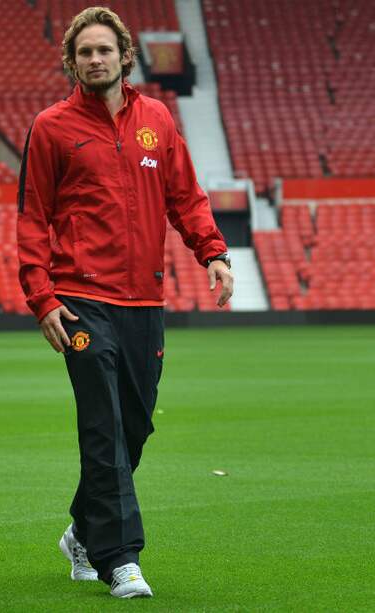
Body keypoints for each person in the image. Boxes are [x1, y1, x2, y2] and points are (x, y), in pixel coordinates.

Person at [17, 7, 234, 599]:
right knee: (103, 428)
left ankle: (84, 530)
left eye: (104, 50)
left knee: (134, 427)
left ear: (123, 56)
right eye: (84, 51)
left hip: (145, 299)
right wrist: (41, 297)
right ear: (72, 60)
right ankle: (121, 559)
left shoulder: (156, 120)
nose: (94, 59)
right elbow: (33, 217)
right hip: (81, 298)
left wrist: (212, 251)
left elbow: (185, 195)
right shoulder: (52, 127)